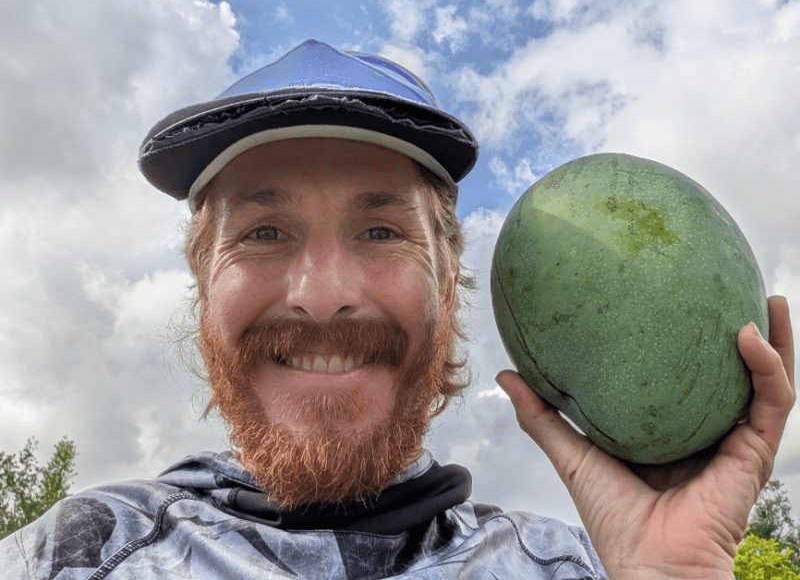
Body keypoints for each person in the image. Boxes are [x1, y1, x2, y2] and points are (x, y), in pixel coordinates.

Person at [0, 39, 794, 579]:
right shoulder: (76, 557)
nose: (321, 293)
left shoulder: (575, 567)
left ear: (451, 279)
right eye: (264, 232)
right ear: (203, 277)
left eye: (381, 230)